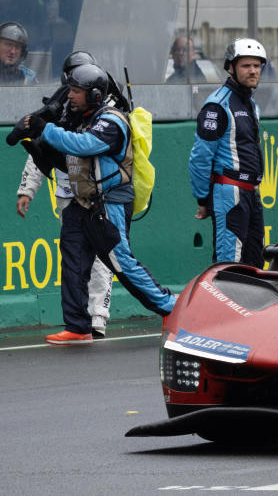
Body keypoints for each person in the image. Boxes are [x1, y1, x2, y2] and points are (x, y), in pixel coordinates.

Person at [22, 61, 176, 345]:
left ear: (94, 94)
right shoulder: (80, 117)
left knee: (122, 263)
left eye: (76, 91)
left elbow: (83, 146)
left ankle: (172, 308)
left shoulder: (112, 120)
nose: (69, 96)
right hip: (80, 203)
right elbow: (69, 161)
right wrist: (37, 144)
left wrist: (46, 130)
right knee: (72, 263)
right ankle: (77, 327)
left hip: (109, 204)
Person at [16, 52, 114, 338]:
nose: (72, 91)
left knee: (102, 260)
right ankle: (77, 322)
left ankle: (98, 318)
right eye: (70, 84)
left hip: (99, 196)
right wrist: (27, 190)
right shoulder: (57, 110)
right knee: (73, 260)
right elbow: (38, 152)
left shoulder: (106, 114)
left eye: (78, 85)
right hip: (68, 196)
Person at [189, 38, 267, 265]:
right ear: (231, 68)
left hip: (252, 193)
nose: (253, 71)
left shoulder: (251, 104)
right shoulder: (217, 105)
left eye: (257, 65)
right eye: (246, 66)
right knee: (230, 266)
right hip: (229, 192)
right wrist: (203, 199)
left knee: (255, 263)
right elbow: (200, 158)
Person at [0, 21, 36, 86]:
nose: (12, 51)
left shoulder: (29, 77)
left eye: (17, 47)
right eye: (8, 44)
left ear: (22, 53)